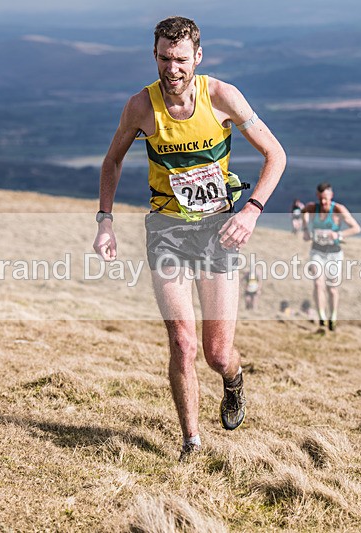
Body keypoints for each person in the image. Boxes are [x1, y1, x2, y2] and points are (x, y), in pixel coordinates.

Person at [92, 16, 286, 462]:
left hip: (217, 231)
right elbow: (111, 162)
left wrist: (252, 211)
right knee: (182, 342)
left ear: (198, 57)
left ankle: (233, 379)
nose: (172, 69)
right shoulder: (141, 106)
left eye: (181, 59)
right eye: (164, 58)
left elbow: (276, 155)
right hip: (166, 230)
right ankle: (191, 443)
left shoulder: (223, 97)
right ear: (154, 56)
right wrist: (106, 220)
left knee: (216, 354)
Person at [301, 182, 361, 332]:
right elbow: (303, 212)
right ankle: (321, 318)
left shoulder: (338, 209)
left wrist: (338, 234)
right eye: (321, 198)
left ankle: (332, 318)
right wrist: (306, 230)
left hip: (334, 253)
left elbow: (356, 228)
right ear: (317, 196)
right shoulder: (312, 208)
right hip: (317, 251)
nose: (323, 202)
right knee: (317, 283)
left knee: (332, 288)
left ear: (331, 196)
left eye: (326, 199)